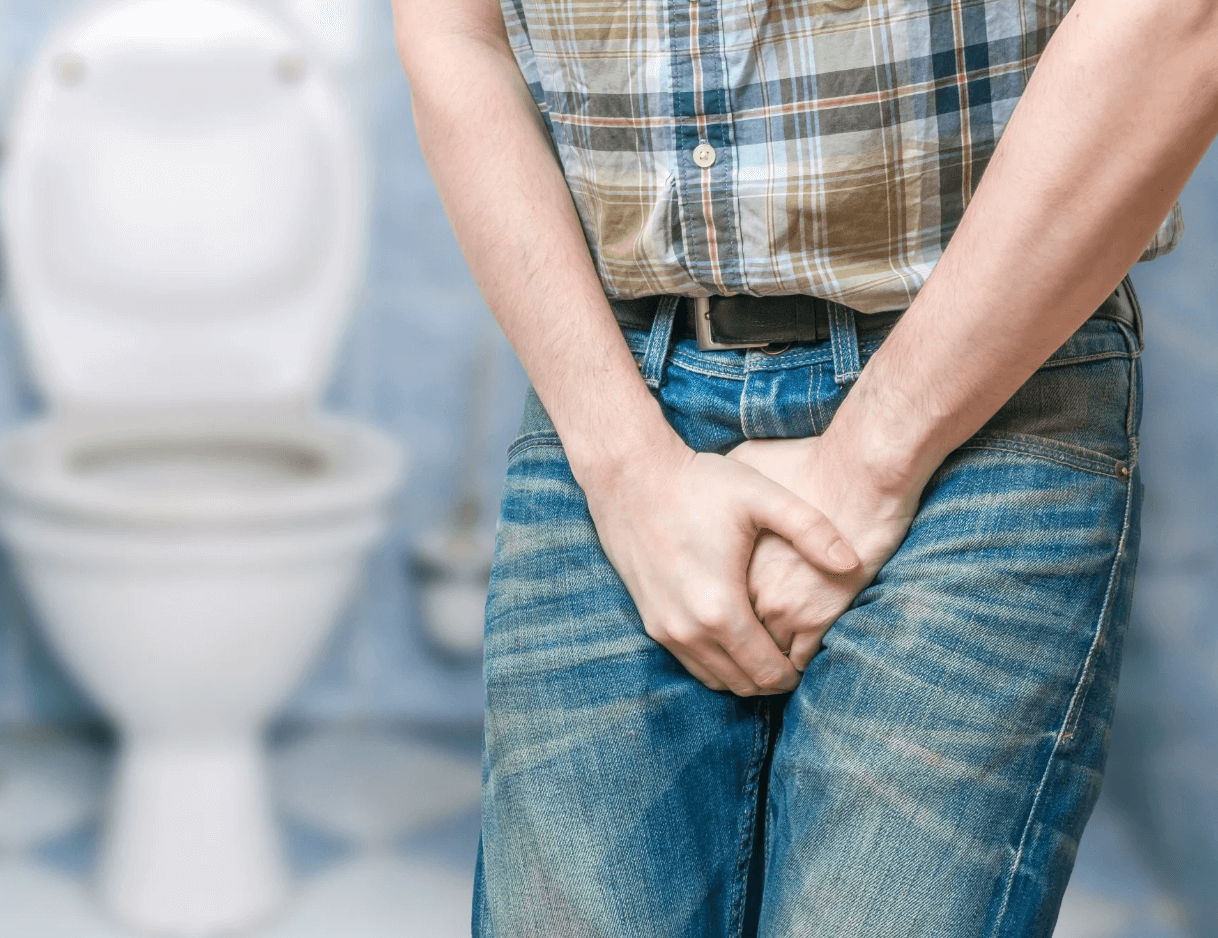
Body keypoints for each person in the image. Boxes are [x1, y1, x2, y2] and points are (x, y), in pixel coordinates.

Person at [393, 0, 1218, 933]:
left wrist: (873, 462)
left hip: (989, 376)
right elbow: (454, 33)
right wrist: (625, 469)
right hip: (617, 382)